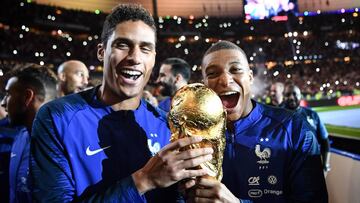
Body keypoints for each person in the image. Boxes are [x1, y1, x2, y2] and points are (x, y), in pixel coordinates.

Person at [30, 4, 213, 202]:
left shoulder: (167, 126)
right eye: (123, 45)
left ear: (153, 58)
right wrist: (144, 180)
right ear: (102, 51)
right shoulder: (57, 118)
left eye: (145, 48)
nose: (135, 58)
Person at [184, 41, 327, 203]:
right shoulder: (191, 136)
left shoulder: (293, 128)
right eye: (212, 74)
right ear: (204, 86)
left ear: (250, 77)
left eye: (236, 70)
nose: (225, 80)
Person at [1, 64, 57, 202]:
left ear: (27, 97)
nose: (3, 103)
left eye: (8, 94)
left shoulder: (67, 145)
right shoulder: (20, 137)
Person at [282, 83, 331, 173]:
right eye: (288, 94)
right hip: (285, 171)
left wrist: (325, 166)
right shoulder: (277, 116)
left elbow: (325, 141)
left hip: (311, 168)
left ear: (300, 96)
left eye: (294, 94)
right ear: (283, 97)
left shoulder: (312, 115)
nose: (291, 97)